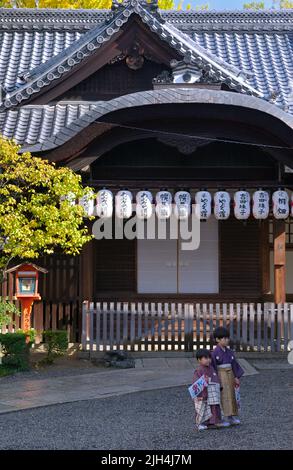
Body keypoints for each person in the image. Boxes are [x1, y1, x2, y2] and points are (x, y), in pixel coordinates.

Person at [211, 327, 244, 425]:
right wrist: (215, 379)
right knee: (223, 396)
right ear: (217, 339)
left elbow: (234, 365)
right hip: (221, 375)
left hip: (230, 375)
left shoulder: (230, 352)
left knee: (232, 395)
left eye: (227, 338)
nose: (226, 340)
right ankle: (222, 418)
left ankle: (231, 416)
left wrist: (236, 377)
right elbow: (213, 367)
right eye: (224, 338)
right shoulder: (214, 353)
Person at [193, 349, 230, 431]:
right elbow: (196, 383)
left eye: (209, 358)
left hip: (213, 392)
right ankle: (200, 423)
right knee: (203, 408)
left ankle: (214, 422)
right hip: (204, 393)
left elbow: (215, 378)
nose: (208, 360)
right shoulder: (199, 370)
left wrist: (219, 386)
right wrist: (200, 393)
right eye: (205, 358)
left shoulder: (211, 368)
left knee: (214, 407)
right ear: (199, 360)